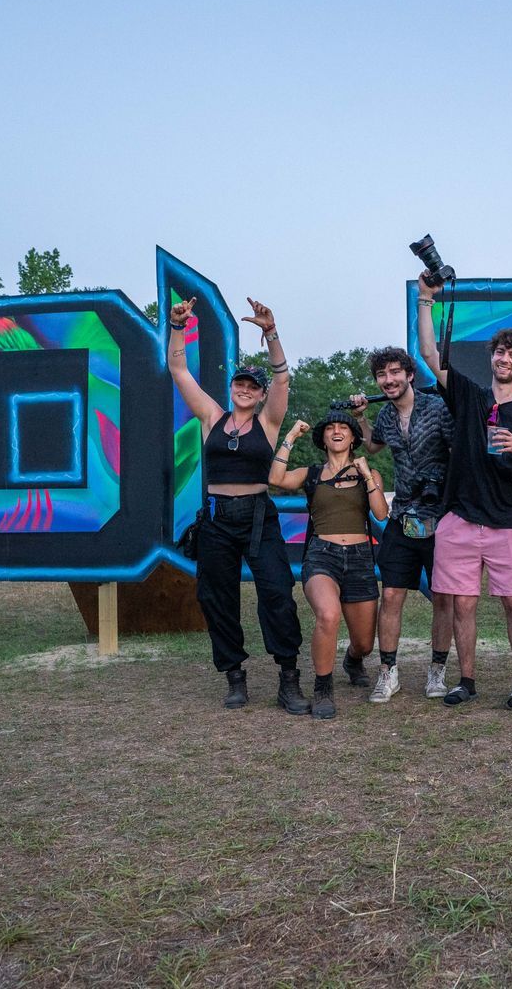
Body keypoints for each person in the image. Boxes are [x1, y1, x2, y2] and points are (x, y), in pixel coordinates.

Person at [166, 295, 307, 713]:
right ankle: (235, 676)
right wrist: (178, 327)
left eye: (252, 386)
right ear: (231, 390)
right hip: (216, 520)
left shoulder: (268, 422)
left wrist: (271, 332)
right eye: (239, 385)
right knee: (215, 596)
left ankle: (288, 677)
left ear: (260, 395)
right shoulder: (212, 417)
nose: (245, 390)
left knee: (278, 593)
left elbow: (283, 379)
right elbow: (178, 369)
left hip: (259, 516)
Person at [415, 270, 512, 708]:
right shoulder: (470, 396)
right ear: (492, 358)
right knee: (462, 605)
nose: (505, 358)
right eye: (500, 352)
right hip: (459, 516)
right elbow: (430, 355)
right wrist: (425, 302)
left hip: (507, 520)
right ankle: (466, 681)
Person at [351, 347, 457, 702]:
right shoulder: (384, 416)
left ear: (410, 375)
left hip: (440, 515)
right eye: (382, 375)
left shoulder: (438, 409)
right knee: (392, 594)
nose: (389, 380)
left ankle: (437, 671)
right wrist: (363, 418)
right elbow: (374, 446)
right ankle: (388, 672)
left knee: (443, 597)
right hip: (402, 516)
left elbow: (459, 453)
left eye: (395, 372)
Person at [271, 414, 387, 720]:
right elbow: (276, 478)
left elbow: (381, 512)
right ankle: (323, 689)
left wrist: (366, 474)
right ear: (323, 439)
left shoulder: (368, 472)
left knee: (364, 642)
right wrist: (291, 436)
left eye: (344, 428)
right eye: (331, 429)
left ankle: (352, 659)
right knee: (328, 614)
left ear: (352, 439)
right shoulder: (310, 474)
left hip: (361, 558)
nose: (337, 432)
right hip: (322, 555)